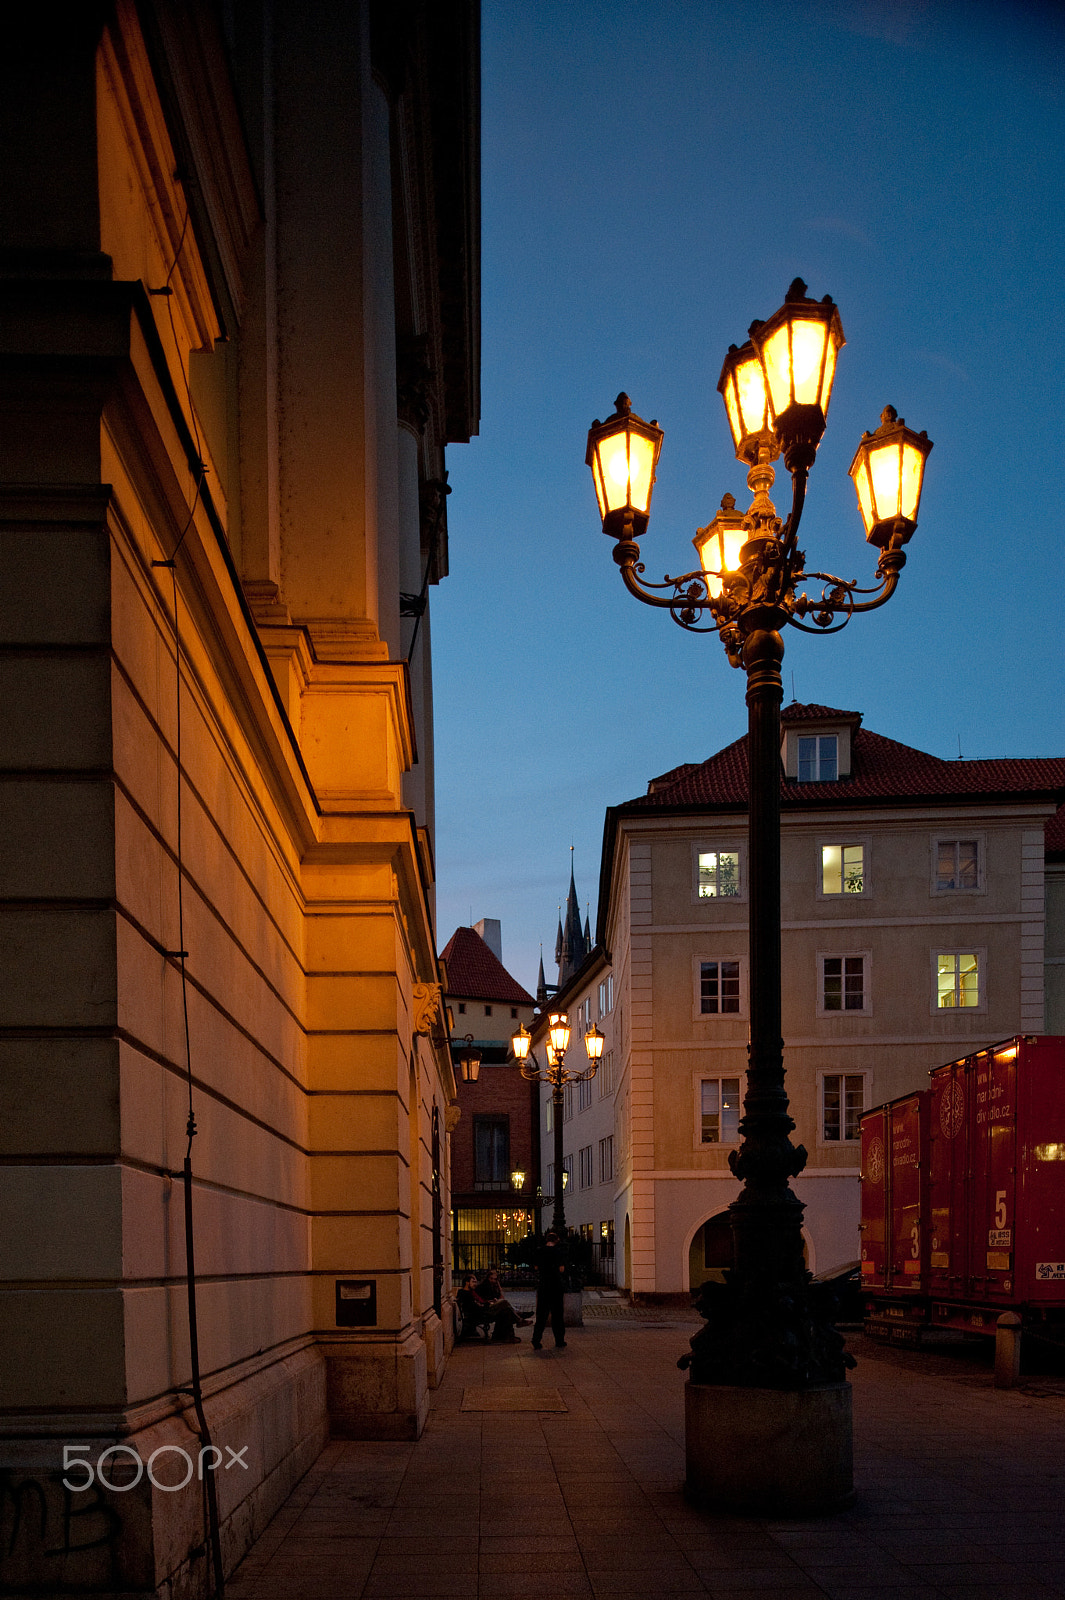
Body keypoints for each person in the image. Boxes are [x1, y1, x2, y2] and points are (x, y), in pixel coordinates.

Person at [531, 1229, 567, 1349]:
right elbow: (561, 1269)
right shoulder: (558, 1251)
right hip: (556, 1285)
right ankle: (559, 1340)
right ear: (556, 1240)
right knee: (557, 1315)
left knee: (541, 1315)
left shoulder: (539, 1251)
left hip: (543, 1284)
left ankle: (536, 1340)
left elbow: (536, 1267)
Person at [471, 1272, 520, 1342]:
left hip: (487, 1307)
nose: (493, 1281)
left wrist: (500, 1290)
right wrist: (489, 1302)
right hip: (484, 1311)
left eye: (495, 1279)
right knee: (505, 1305)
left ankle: (504, 1334)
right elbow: (478, 1304)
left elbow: (500, 1297)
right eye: (473, 1282)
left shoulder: (493, 1287)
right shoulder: (483, 1286)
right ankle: (517, 1317)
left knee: (506, 1310)